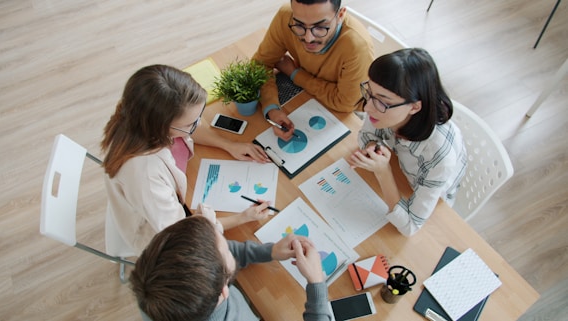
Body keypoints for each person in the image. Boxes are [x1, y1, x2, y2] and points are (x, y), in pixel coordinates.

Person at [101, 65, 271, 255]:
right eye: (191, 124)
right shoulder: (146, 175)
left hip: (159, 204)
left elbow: (186, 129)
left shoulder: (139, 116)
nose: (197, 125)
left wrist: (229, 145)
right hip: (159, 235)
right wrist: (241, 218)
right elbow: (182, 232)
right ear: (161, 126)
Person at [348, 48, 468, 237]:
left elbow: (410, 226)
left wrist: (383, 171)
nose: (368, 107)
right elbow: (366, 135)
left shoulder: (439, 155)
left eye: (382, 101)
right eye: (369, 93)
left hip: (427, 196)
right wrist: (373, 149)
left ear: (414, 107)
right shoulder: (384, 110)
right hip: (401, 172)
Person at [130, 216, 332, 321]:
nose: (230, 246)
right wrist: (316, 284)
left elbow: (216, 258)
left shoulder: (152, 289)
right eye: (227, 249)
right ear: (224, 290)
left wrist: (269, 252)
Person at [252, 0, 374, 140]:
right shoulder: (285, 16)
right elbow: (259, 64)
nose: (308, 38)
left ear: (340, 15)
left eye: (321, 27)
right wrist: (271, 108)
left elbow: (344, 103)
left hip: (348, 113)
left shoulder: (357, 47)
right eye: (299, 25)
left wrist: (295, 74)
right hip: (308, 94)